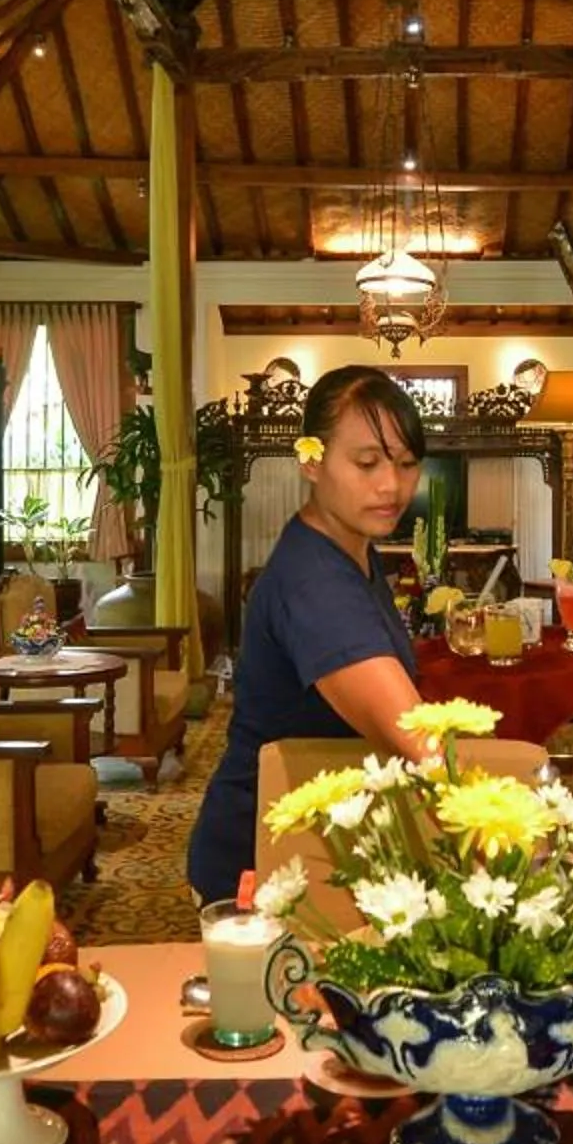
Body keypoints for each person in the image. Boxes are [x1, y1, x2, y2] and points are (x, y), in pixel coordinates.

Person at [186, 366, 434, 903]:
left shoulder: (349, 552)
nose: (391, 486)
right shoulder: (314, 582)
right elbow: (420, 741)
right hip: (258, 861)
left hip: (306, 843)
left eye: (407, 464)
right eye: (366, 462)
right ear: (310, 460)